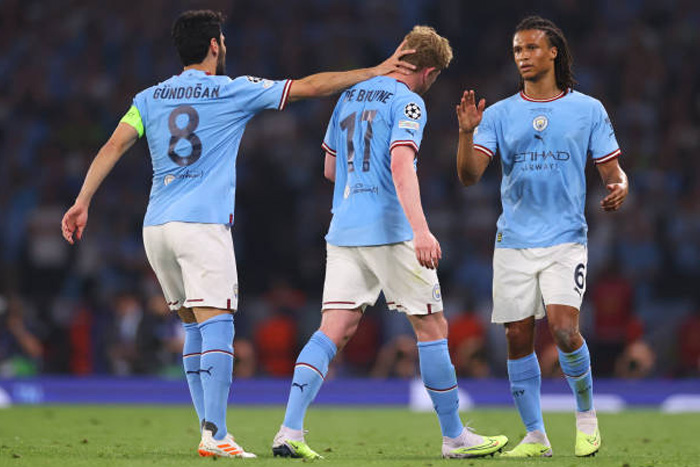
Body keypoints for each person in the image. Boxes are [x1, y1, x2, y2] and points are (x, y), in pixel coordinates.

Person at [61, 9, 417, 459]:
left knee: (192, 324)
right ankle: (217, 433)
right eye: (223, 40)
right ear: (215, 45)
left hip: (157, 227)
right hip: (201, 225)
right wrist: (374, 70)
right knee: (218, 325)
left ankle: (208, 432)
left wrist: (82, 201)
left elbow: (114, 145)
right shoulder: (231, 90)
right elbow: (309, 86)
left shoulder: (148, 97)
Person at [271, 26, 508, 460]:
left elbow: (330, 169)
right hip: (390, 230)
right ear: (429, 72)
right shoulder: (409, 102)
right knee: (431, 325)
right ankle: (455, 437)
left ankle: (289, 429)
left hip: (344, 228)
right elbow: (401, 164)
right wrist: (421, 230)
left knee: (333, 329)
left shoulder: (349, 95)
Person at [455, 16, 629, 458]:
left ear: (553, 52)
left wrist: (620, 186)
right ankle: (535, 436)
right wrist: (466, 133)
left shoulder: (588, 109)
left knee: (565, 330)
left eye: (531, 48)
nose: (523, 56)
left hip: (566, 239)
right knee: (517, 335)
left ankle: (586, 419)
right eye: (517, 50)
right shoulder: (498, 114)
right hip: (513, 241)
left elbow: (613, 171)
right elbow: (469, 176)